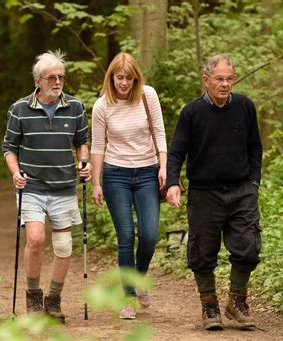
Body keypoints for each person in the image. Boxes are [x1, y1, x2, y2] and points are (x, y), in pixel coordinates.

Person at [166, 54, 263, 330]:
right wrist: (173, 182)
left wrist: (254, 182)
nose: (224, 84)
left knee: (248, 247)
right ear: (206, 80)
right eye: (218, 79)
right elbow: (177, 152)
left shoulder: (244, 107)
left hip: (241, 189)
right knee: (202, 252)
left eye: (229, 78)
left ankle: (237, 301)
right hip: (204, 193)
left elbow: (255, 147)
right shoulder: (192, 112)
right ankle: (209, 306)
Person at [1, 50, 91, 322]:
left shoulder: (75, 107)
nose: (58, 81)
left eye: (61, 77)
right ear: (38, 80)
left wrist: (84, 162)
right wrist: (16, 173)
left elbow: (81, 142)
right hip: (32, 187)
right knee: (36, 239)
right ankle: (33, 298)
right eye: (51, 77)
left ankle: (53, 300)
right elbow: (9, 147)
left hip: (63, 186)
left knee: (63, 246)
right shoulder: (20, 109)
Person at [91, 52, 167, 320]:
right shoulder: (102, 106)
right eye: (119, 78)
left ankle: (139, 280)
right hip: (116, 175)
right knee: (126, 236)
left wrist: (164, 167)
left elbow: (159, 131)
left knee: (149, 235)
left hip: (147, 173)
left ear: (137, 78)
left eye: (129, 78)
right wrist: (96, 182)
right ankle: (129, 297)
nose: (124, 83)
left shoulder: (148, 96)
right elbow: (98, 146)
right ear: (111, 77)